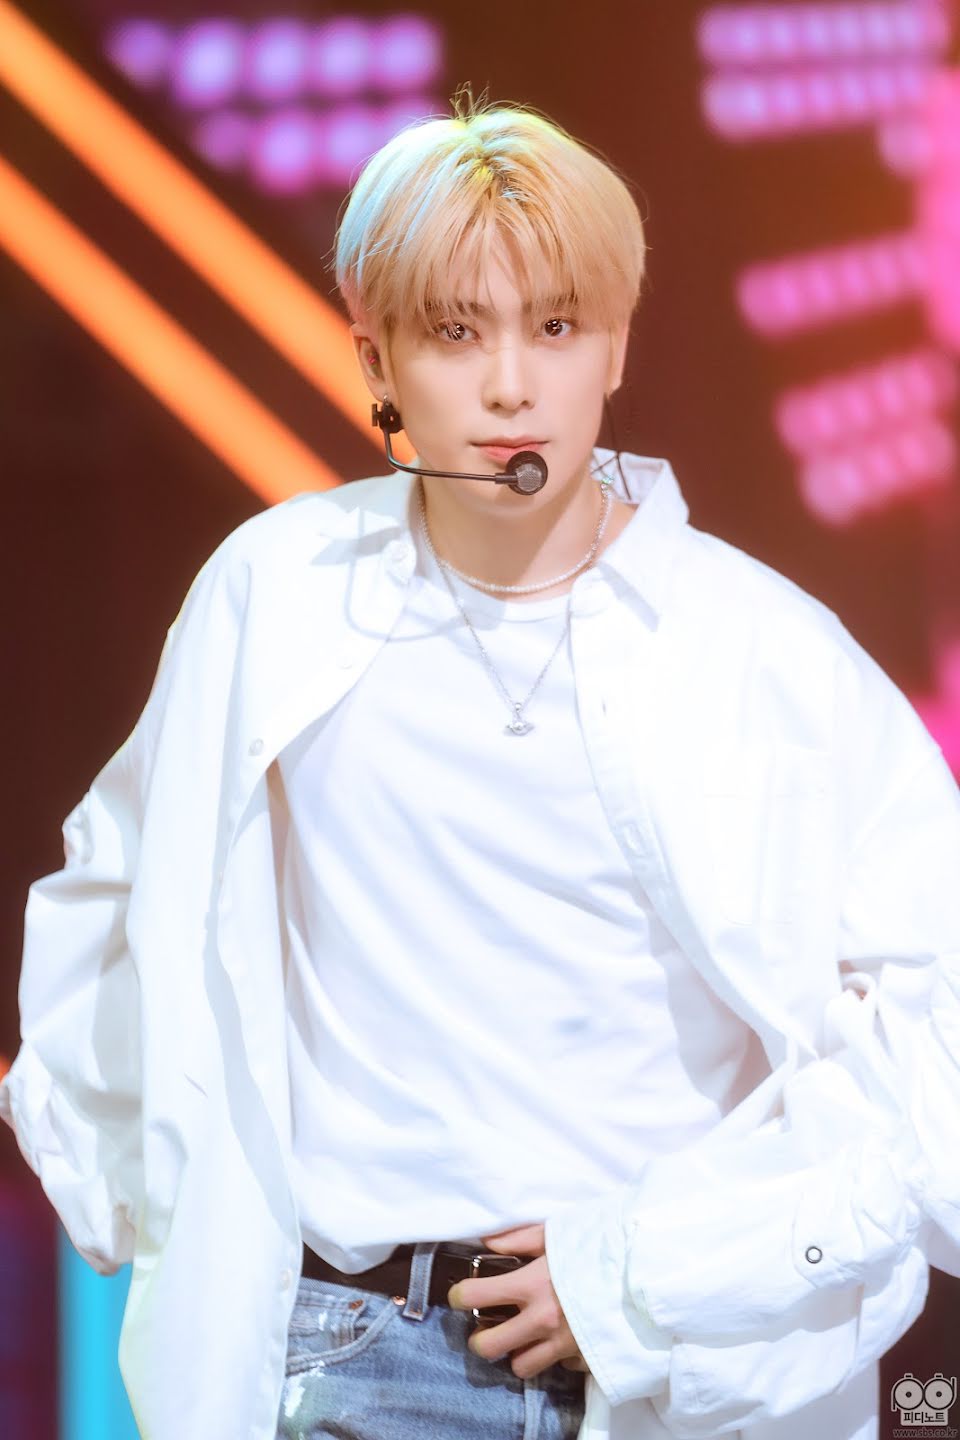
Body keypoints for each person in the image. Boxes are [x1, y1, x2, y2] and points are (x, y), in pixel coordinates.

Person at [2, 88, 959, 1440]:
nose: (512, 384)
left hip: (660, 1380)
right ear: (377, 359)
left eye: (556, 327)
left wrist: (643, 1277)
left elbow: (931, 1046)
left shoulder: (764, 650)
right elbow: (114, 896)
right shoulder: (276, 594)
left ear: (616, 344)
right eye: (456, 333)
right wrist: (158, 1212)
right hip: (346, 1353)